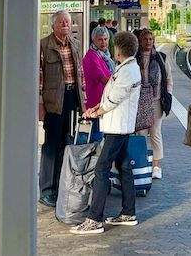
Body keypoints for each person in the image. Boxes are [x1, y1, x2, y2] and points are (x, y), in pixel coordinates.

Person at [71, 31, 142, 235]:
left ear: (118, 49)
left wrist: (96, 112)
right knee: (123, 166)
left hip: (117, 128)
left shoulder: (128, 71)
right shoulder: (127, 67)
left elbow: (113, 100)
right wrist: (96, 109)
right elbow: (110, 98)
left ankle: (95, 219)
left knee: (101, 170)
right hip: (118, 126)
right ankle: (128, 213)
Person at [39, 10, 86, 207]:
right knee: (51, 144)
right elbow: (38, 76)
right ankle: (47, 190)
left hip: (71, 98)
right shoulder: (44, 45)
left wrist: (84, 100)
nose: (66, 24)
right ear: (53, 25)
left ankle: (60, 185)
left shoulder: (75, 44)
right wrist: (40, 104)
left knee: (67, 142)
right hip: (53, 101)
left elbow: (80, 74)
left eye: (68, 21)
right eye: (62, 21)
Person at [136, 28, 172, 180]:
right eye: (145, 39)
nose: (149, 42)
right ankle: (142, 163)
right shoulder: (134, 58)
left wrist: (168, 94)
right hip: (139, 102)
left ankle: (156, 166)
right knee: (141, 134)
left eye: (151, 39)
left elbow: (168, 78)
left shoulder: (161, 58)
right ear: (140, 41)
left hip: (157, 101)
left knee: (155, 133)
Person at [82, 25, 114, 142]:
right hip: (95, 104)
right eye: (100, 39)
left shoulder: (104, 56)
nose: (103, 42)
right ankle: (94, 159)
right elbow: (102, 78)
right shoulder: (91, 57)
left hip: (103, 102)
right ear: (93, 40)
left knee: (101, 134)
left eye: (105, 39)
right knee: (96, 136)